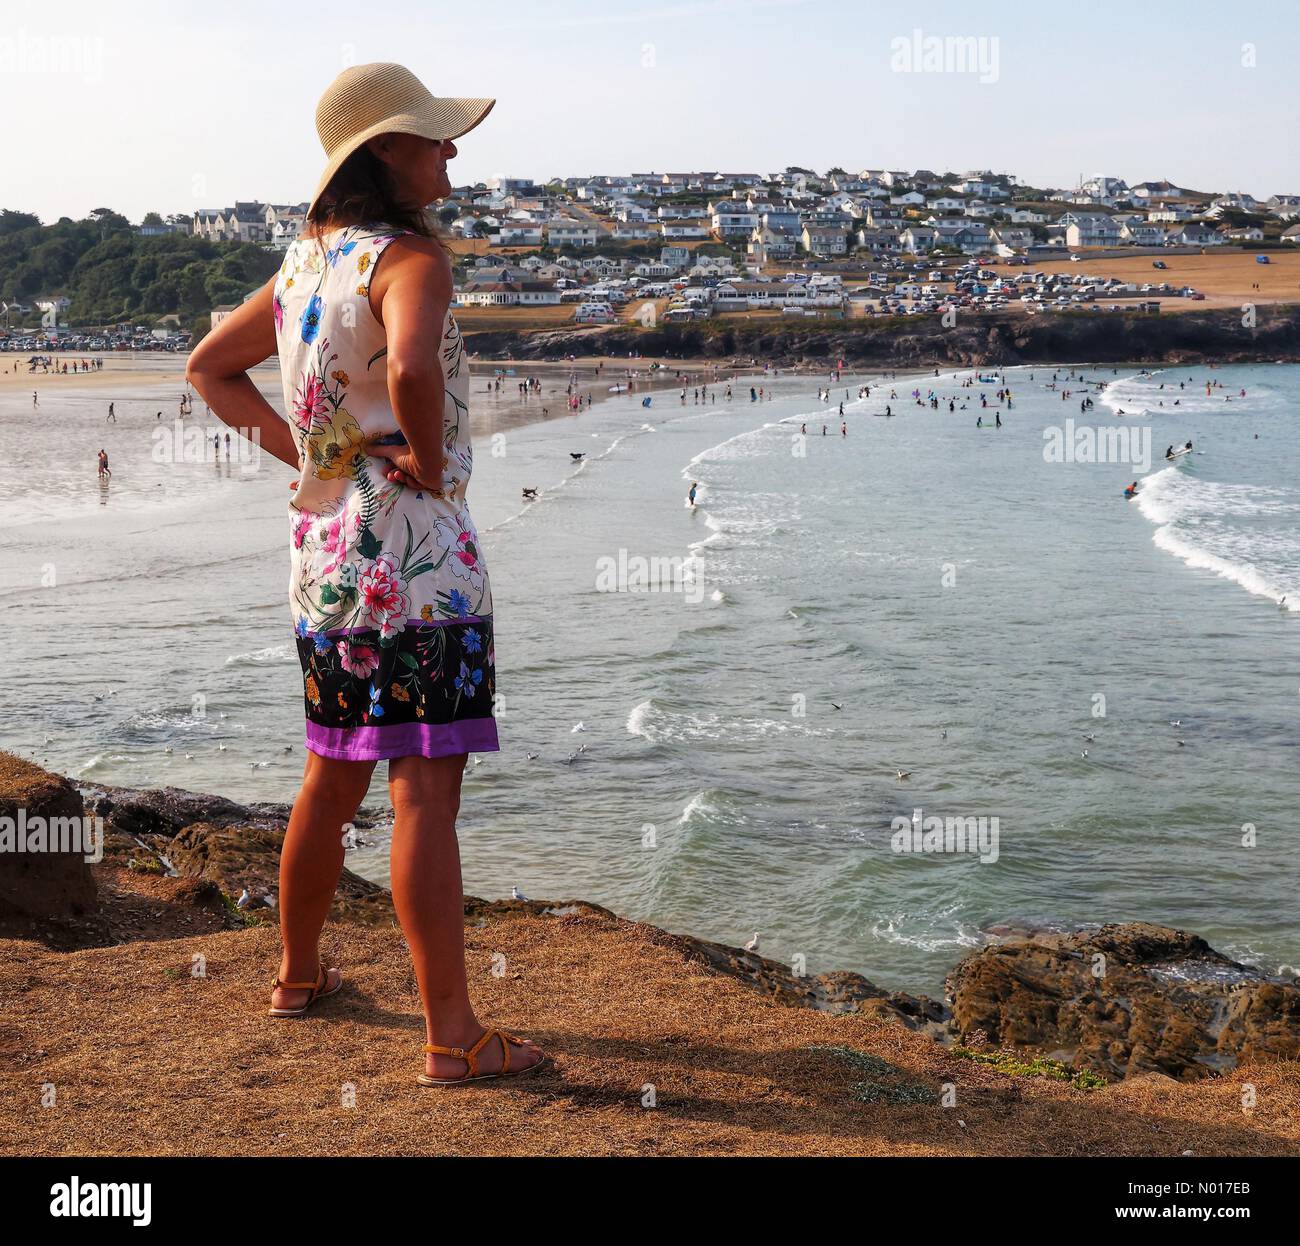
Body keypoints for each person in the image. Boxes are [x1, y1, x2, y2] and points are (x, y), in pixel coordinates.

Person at [186, 62, 543, 1086]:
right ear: (385, 151)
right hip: (418, 554)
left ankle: (297, 975)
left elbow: (210, 366)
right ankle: (453, 1035)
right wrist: (425, 461)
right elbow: (412, 369)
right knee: (425, 789)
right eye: (434, 136)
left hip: (325, 551)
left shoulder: (304, 266)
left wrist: (307, 458)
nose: (452, 152)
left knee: (330, 772)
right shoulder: (410, 258)